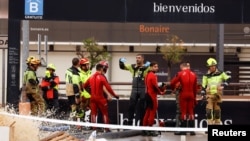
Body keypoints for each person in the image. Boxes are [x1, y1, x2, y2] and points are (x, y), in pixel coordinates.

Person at [83, 61, 119, 132]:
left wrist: (90, 92)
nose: (106, 70)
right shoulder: (102, 77)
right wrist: (115, 95)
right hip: (101, 98)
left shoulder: (91, 77)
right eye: (105, 69)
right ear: (102, 68)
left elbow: (84, 86)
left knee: (93, 114)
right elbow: (108, 87)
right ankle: (107, 129)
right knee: (105, 114)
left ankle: (94, 129)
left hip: (93, 98)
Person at [119, 54, 150, 126]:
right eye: (136, 58)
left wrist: (149, 65)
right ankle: (129, 123)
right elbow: (122, 67)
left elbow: (155, 69)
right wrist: (120, 61)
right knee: (131, 106)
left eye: (139, 58)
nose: (137, 59)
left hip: (143, 88)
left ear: (143, 59)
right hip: (134, 89)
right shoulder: (132, 67)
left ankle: (142, 124)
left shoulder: (146, 67)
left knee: (142, 107)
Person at [201, 58, 231, 125]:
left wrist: (224, 85)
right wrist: (203, 94)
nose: (213, 67)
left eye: (214, 65)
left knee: (217, 112)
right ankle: (209, 126)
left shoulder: (221, 73)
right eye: (211, 66)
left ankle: (217, 126)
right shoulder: (206, 76)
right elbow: (203, 86)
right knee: (209, 111)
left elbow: (228, 79)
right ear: (208, 67)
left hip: (218, 95)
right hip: (209, 95)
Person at [170, 62, 198, 135]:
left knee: (184, 112)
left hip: (183, 94)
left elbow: (172, 83)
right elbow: (195, 88)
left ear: (182, 67)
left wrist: (173, 89)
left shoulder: (180, 73)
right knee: (191, 112)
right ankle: (192, 130)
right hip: (191, 94)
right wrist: (194, 98)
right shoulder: (194, 74)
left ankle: (183, 130)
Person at [142, 61, 166, 136]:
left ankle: (144, 129)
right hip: (152, 96)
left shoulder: (147, 75)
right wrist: (161, 92)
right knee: (152, 113)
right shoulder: (153, 75)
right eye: (155, 66)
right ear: (151, 67)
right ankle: (150, 130)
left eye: (157, 66)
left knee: (147, 113)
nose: (157, 68)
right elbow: (155, 86)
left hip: (147, 95)